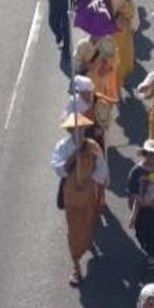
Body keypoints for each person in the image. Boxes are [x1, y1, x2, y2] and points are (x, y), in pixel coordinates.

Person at [51, 112, 109, 285]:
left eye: (82, 129)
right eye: (76, 130)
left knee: (90, 221)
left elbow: (102, 168)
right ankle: (76, 265)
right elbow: (58, 168)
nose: (80, 133)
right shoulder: (62, 146)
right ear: (70, 131)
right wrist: (73, 155)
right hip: (72, 196)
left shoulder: (92, 146)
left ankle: (88, 240)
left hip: (88, 193)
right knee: (75, 229)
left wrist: (92, 180)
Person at [127, 138, 154, 268]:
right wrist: (139, 200)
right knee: (140, 231)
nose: (152, 157)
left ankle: (152, 255)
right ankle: (146, 246)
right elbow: (132, 189)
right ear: (144, 154)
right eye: (149, 154)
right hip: (141, 208)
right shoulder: (136, 171)